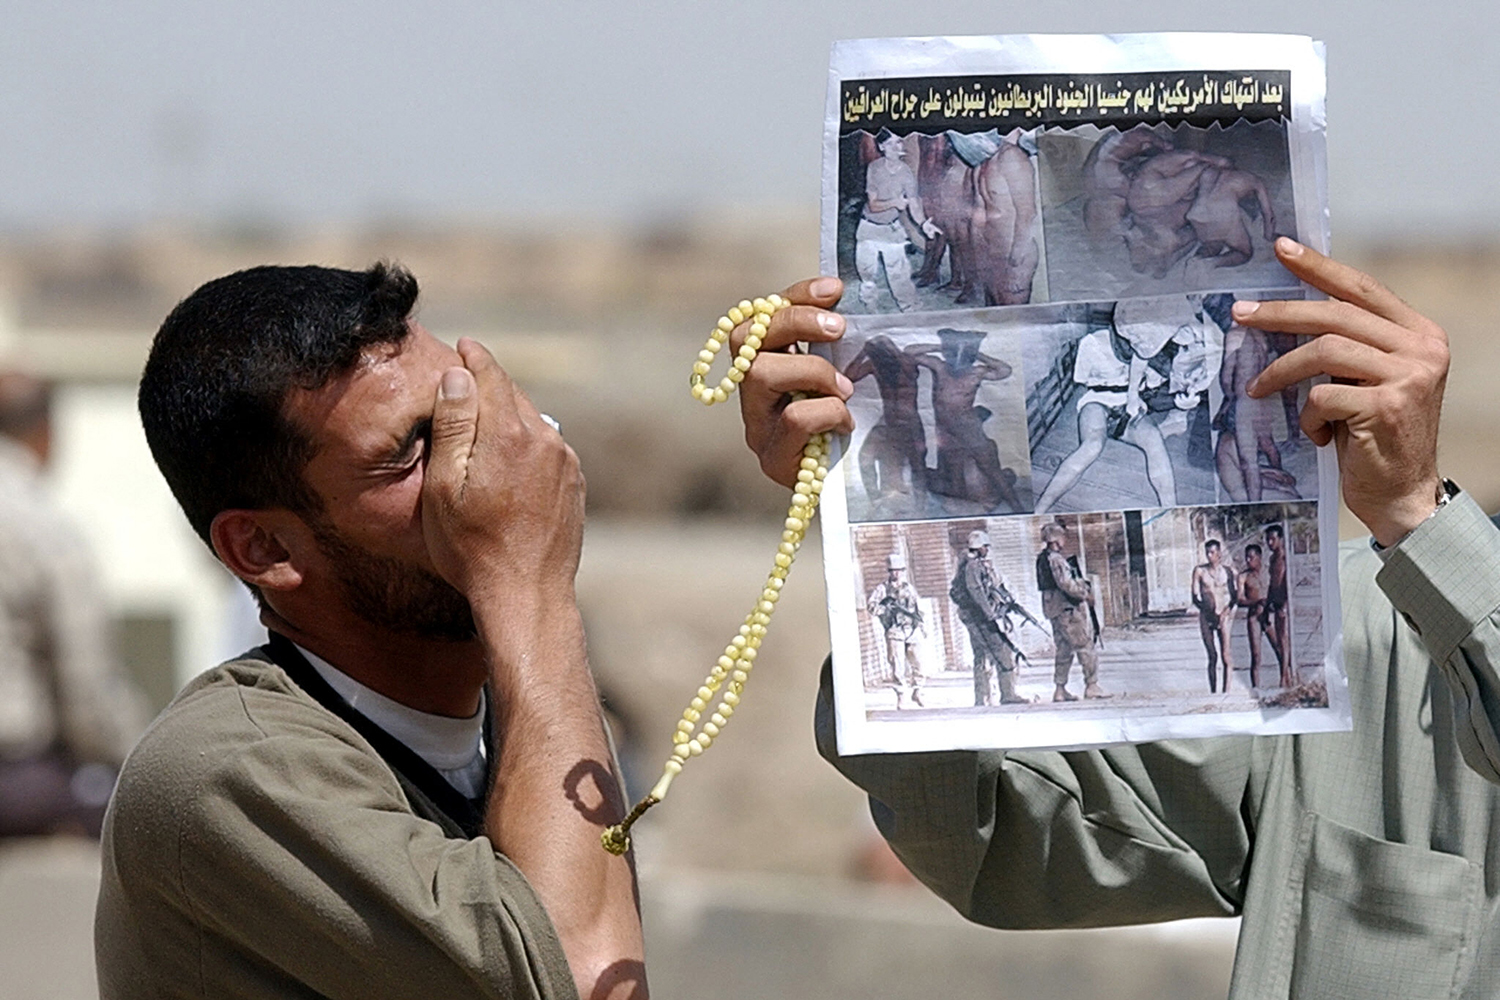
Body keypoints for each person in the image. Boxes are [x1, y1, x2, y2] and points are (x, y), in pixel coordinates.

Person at [739, 240, 1500, 997]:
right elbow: (1003, 839)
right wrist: (893, 510)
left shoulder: (1424, 588)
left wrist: (1416, 520)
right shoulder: (1374, 628)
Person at [97, 266, 847, 999]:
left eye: (471, 409)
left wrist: (861, 479)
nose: (488, 460)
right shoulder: (231, 771)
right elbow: (583, 978)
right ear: (265, 550)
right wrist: (528, 581)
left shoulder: (504, 726)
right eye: (414, 448)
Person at [0, 373, 147, 838]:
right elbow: (87, 687)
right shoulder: (42, 525)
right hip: (17, 777)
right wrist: (138, 758)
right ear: (46, 434)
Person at [914, 328, 1023, 512]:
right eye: (954, 353)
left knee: (990, 469)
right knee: (952, 469)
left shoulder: (976, 372)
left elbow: (1005, 370)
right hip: (945, 429)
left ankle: (1017, 507)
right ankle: (960, 499)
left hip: (968, 426)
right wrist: (939, 347)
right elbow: (909, 352)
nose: (958, 360)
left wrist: (977, 353)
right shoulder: (939, 366)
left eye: (964, 355)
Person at [856, 129, 940, 312]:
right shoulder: (875, 168)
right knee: (867, 274)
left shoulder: (906, 173)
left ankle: (910, 310)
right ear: (882, 147)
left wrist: (924, 224)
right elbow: (873, 206)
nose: (897, 147)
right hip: (868, 229)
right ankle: (870, 307)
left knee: (900, 275)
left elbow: (913, 204)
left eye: (899, 142)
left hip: (892, 229)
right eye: (891, 143)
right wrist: (895, 202)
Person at [841, 335, 929, 504]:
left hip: (910, 421)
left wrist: (894, 351)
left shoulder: (906, 362)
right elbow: (848, 377)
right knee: (865, 457)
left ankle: (921, 505)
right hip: (888, 421)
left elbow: (918, 352)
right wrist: (862, 353)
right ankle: (875, 499)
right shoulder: (876, 366)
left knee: (917, 463)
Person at [948, 531, 1027, 706]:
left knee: (981, 656)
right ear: (979, 547)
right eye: (985, 546)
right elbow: (977, 592)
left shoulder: (971, 564)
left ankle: (982, 697)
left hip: (975, 617)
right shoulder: (973, 566)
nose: (987, 550)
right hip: (981, 618)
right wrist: (991, 615)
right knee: (1003, 653)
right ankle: (1008, 694)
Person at [1036, 522, 1105, 702]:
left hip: (1054, 610)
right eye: (1062, 536)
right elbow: (1066, 584)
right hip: (1067, 610)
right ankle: (1092, 685)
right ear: (1056, 539)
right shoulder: (1056, 560)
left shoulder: (1042, 558)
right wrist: (1084, 593)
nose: (1064, 540)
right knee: (1084, 645)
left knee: (1064, 650)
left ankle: (1060, 690)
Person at [865, 553, 926, 709]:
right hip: (894, 630)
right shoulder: (883, 589)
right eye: (892, 570)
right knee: (897, 665)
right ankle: (901, 696)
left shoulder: (908, 587)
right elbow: (871, 606)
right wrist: (884, 609)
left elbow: (918, 608)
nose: (895, 573)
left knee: (918, 662)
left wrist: (921, 626)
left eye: (898, 570)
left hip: (911, 629)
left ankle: (918, 691)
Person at [1191, 539, 1238, 694]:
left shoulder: (1228, 572)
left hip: (1223, 615)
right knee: (1212, 655)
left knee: (1226, 655)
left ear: (1219, 553)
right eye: (1207, 553)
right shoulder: (1200, 571)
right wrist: (1205, 609)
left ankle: (1226, 691)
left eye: (1212, 552)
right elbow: (1195, 596)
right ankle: (1213, 691)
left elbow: (1234, 596)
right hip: (1206, 615)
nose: (1209, 556)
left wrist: (1226, 610)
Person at [1264, 522, 1294, 688]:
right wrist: (1269, 603)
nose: (1270, 543)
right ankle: (1286, 674)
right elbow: (1272, 583)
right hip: (1275, 602)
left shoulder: (1284, 557)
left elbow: (1287, 582)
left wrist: (1285, 603)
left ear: (1280, 539)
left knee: (1283, 640)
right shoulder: (1272, 558)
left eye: (1273, 539)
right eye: (1268, 540)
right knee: (1277, 639)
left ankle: (1284, 677)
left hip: (1283, 603)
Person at [1237, 542, 1270, 690]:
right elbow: (1240, 600)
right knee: (1256, 655)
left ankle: (1286, 681)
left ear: (1260, 557)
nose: (1248, 561)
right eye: (1247, 558)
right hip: (1254, 616)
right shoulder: (1243, 577)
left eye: (1252, 557)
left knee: (1280, 650)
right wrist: (1256, 601)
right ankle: (1256, 687)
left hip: (1269, 614)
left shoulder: (1269, 572)